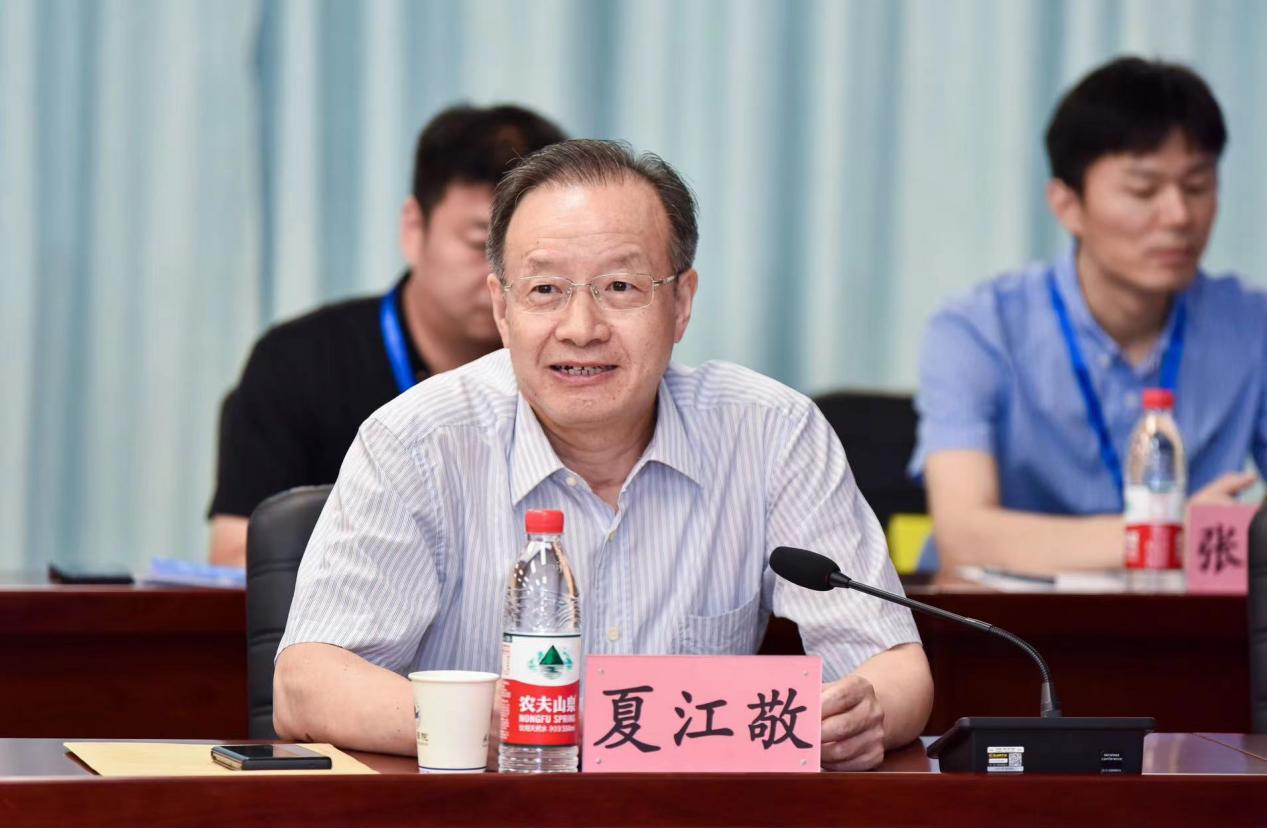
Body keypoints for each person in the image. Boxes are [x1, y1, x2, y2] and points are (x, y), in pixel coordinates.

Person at [274, 140, 933, 771]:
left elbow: (895, 667)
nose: (581, 328)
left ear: (681, 303)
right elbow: (305, 686)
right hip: (479, 818)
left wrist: (860, 714)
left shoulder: (771, 433)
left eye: (619, 286)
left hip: (691, 824)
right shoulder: (417, 442)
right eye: (545, 290)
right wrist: (486, 718)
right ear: (502, 308)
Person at [911, 57, 1267, 575]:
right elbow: (965, 536)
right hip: (1003, 619)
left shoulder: (1252, 326)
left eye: (1196, 187)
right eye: (1143, 191)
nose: (1178, 216)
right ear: (1067, 205)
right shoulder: (977, 330)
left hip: (1183, 618)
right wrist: (1171, 536)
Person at [207, 105, 566, 565]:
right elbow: (239, 557)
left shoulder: (574, 363)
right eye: (481, 245)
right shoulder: (297, 362)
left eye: (529, 253)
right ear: (414, 229)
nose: (503, 274)